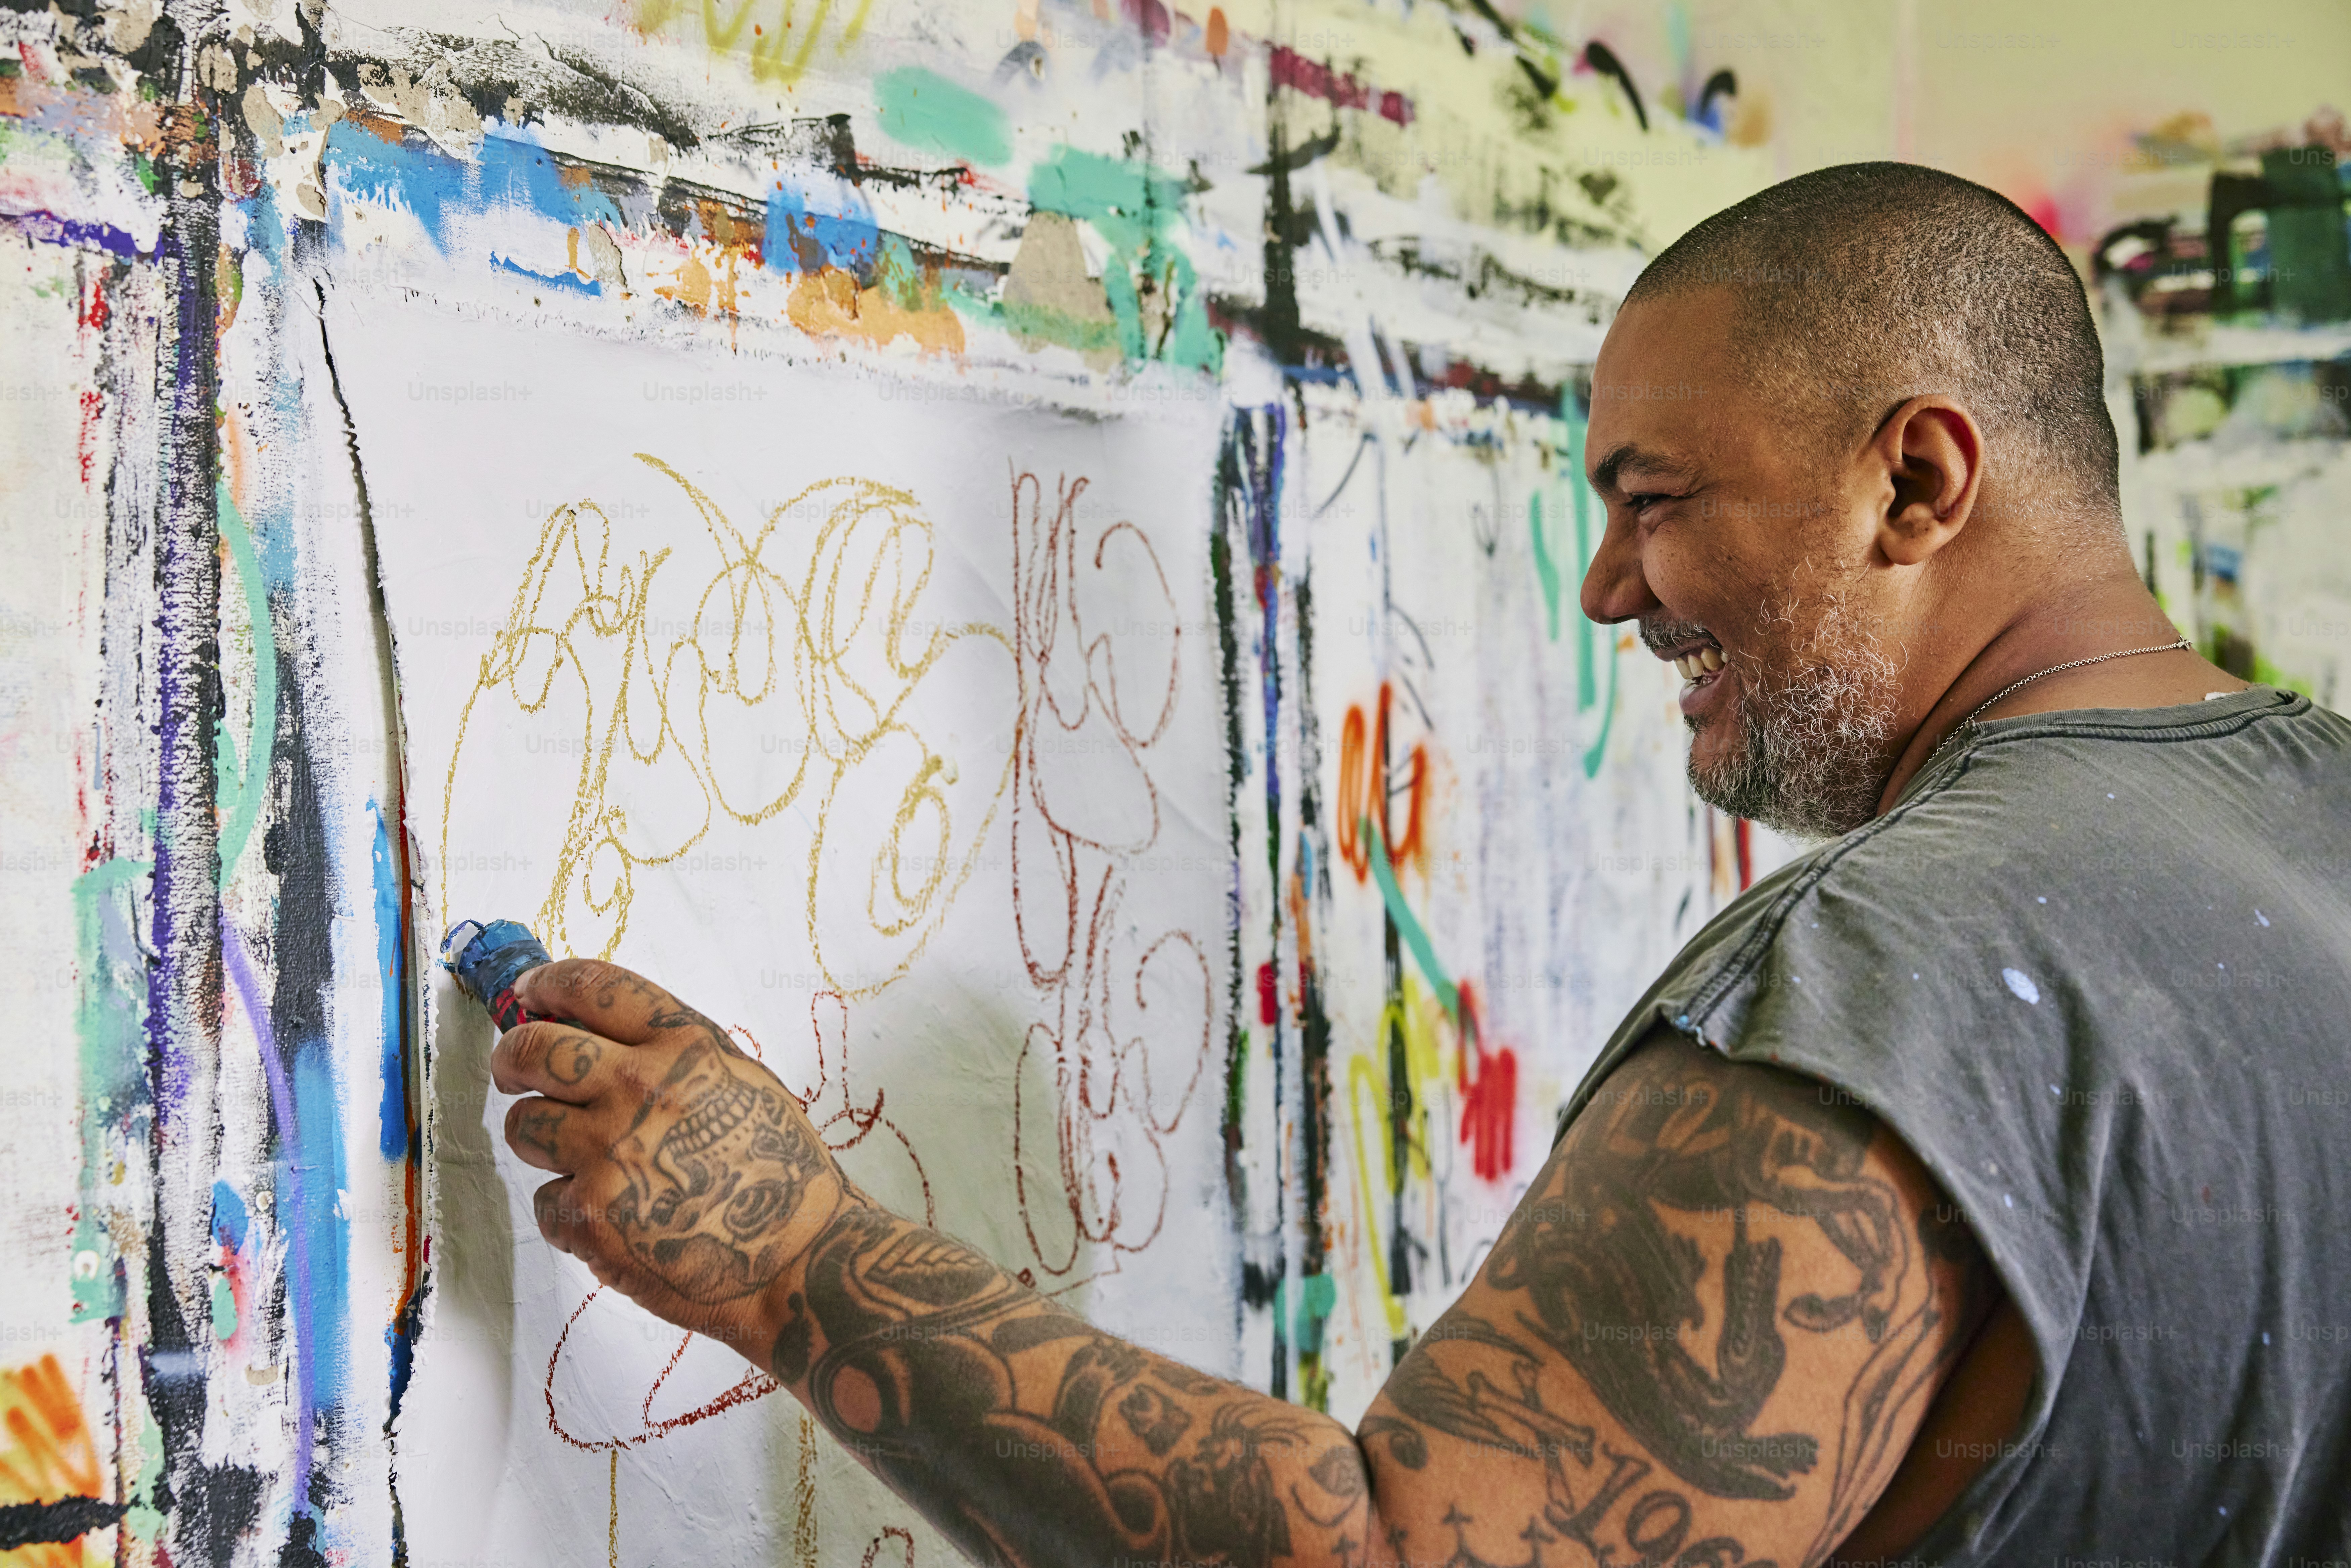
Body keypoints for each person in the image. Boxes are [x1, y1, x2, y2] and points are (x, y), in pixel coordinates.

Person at [484, 163, 2351, 1565]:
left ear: (1917, 484)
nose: (1609, 589)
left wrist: (796, 1264)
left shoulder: (1897, 979)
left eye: (1654, 500)